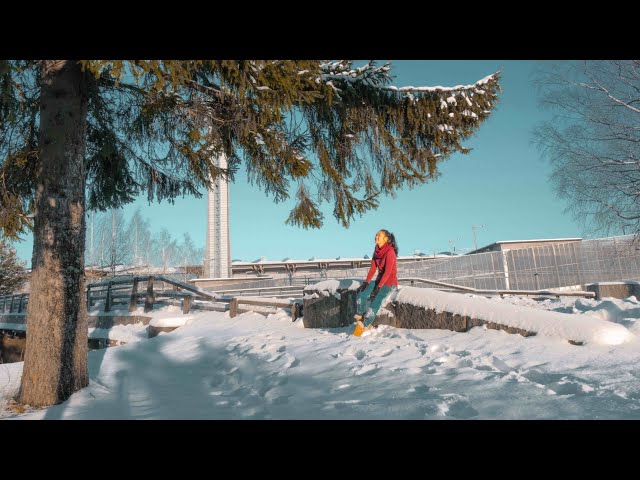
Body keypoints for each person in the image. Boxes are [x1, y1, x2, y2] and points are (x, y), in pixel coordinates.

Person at [353, 229, 398, 336]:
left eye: (379, 235)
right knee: (361, 295)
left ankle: (364, 324)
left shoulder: (390, 252)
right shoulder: (376, 251)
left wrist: (378, 288)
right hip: (379, 281)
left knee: (376, 300)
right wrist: (366, 282)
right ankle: (360, 317)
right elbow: (373, 269)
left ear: (386, 239)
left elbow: (387, 272)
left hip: (389, 283)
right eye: (376, 234)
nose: (376, 236)